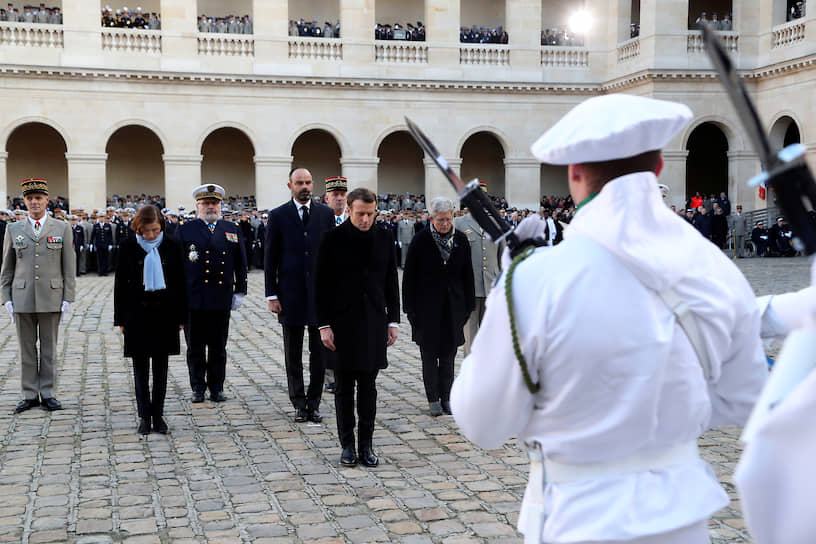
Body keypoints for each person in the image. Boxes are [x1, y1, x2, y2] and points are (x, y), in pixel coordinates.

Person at [450, 94, 768, 544]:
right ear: (658, 167)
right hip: (683, 520)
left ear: (575, 173)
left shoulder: (535, 279)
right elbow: (741, 396)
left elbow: (482, 422)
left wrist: (510, 288)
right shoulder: (715, 268)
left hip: (578, 518)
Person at [314, 188, 400, 467]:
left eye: (370, 213)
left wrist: (392, 321)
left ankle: (367, 444)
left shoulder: (384, 238)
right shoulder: (332, 239)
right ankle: (347, 445)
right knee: (343, 388)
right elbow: (320, 285)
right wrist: (324, 325)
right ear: (349, 210)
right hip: (341, 325)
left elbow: (390, 282)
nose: (366, 219)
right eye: (361, 213)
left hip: (373, 322)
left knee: (368, 387)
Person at [264, 167, 335, 423]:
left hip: (318, 295)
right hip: (290, 293)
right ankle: (298, 402)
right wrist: (271, 294)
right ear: (290, 185)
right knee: (292, 352)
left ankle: (314, 401)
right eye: (299, 183)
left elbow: (331, 256)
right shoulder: (278, 215)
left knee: (319, 352)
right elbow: (270, 256)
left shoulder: (325, 214)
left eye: (307, 182)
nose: (304, 186)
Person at [1, 178, 75, 413]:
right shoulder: (13, 229)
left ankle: (49, 392)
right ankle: (30, 394)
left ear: (46, 200)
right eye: (30, 199)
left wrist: (68, 297)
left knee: (49, 348)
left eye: (38, 198)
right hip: (22, 295)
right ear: (24, 202)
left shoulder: (61, 227)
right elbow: (7, 267)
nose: (34, 202)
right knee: (26, 349)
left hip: (51, 295)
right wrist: (6, 298)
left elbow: (69, 267)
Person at [114, 205, 186, 434]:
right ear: (138, 228)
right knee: (140, 369)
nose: (151, 235)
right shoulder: (127, 246)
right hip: (137, 314)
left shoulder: (173, 245)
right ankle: (144, 415)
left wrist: (182, 316)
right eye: (146, 231)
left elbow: (181, 283)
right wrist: (121, 319)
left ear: (161, 226)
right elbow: (120, 285)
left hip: (165, 314)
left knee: (161, 369)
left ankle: (158, 414)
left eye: (155, 230)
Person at [404, 197, 475, 416]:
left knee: (448, 356)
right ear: (432, 218)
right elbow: (409, 278)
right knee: (429, 355)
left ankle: (447, 397)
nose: (444, 224)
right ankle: (433, 398)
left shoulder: (461, 240)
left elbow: (467, 276)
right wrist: (410, 310)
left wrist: (468, 306)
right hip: (427, 310)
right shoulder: (421, 240)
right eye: (440, 220)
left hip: (453, 309)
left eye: (448, 219)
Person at [179, 184, 247, 403]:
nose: (211, 207)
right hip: (194, 297)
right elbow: (177, 266)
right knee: (195, 346)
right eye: (206, 203)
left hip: (220, 296)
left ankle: (217, 386)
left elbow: (240, 262)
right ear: (197, 206)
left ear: (220, 205)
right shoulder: (184, 229)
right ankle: (198, 387)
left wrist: (240, 291)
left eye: (214, 203)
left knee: (218, 346)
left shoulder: (231, 228)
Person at [455, 208, 503, 356]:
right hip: (469, 285)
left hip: (492, 286)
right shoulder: (459, 223)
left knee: (490, 331)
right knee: (470, 332)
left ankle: (488, 366)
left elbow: (503, 257)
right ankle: (471, 367)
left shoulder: (497, 224)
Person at [323, 175, 349, 394]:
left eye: (342, 195)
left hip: (349, 290)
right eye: (335, 195)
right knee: (329, 335)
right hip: (329, 289)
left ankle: (347, 372)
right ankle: (330, 376)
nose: (339, 199)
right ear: (327, 198)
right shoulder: (321, 222)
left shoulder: (354, 221)